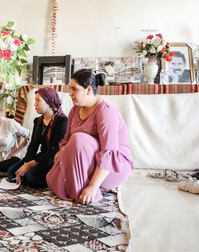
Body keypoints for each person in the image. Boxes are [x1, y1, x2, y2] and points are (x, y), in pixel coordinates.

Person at [47, 69, 134, 204]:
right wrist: (61, 153)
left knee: (79, 139)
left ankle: (93, 187)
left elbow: (109, 153)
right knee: (51, 179)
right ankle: (82, 183)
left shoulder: (105, 111)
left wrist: (92, 187)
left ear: (88, 90)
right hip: (88, 160)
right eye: (69, 89)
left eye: (74, 89)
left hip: (113, 167)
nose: (70, 94)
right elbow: (66, 140)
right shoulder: (75, 109)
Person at [7, 87, 68, 188]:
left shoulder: (62, 121)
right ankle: (27, 175)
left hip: (53, 159)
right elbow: (33, 145)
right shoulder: (38, 121)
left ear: (49, 101)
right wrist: (26, 163)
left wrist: (30, 165)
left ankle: (51, 178)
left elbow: (55, 149)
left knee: (31, 177)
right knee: (11, 172)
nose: (35, 103)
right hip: (41, 157)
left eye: (38, 100)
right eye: (35, 100)